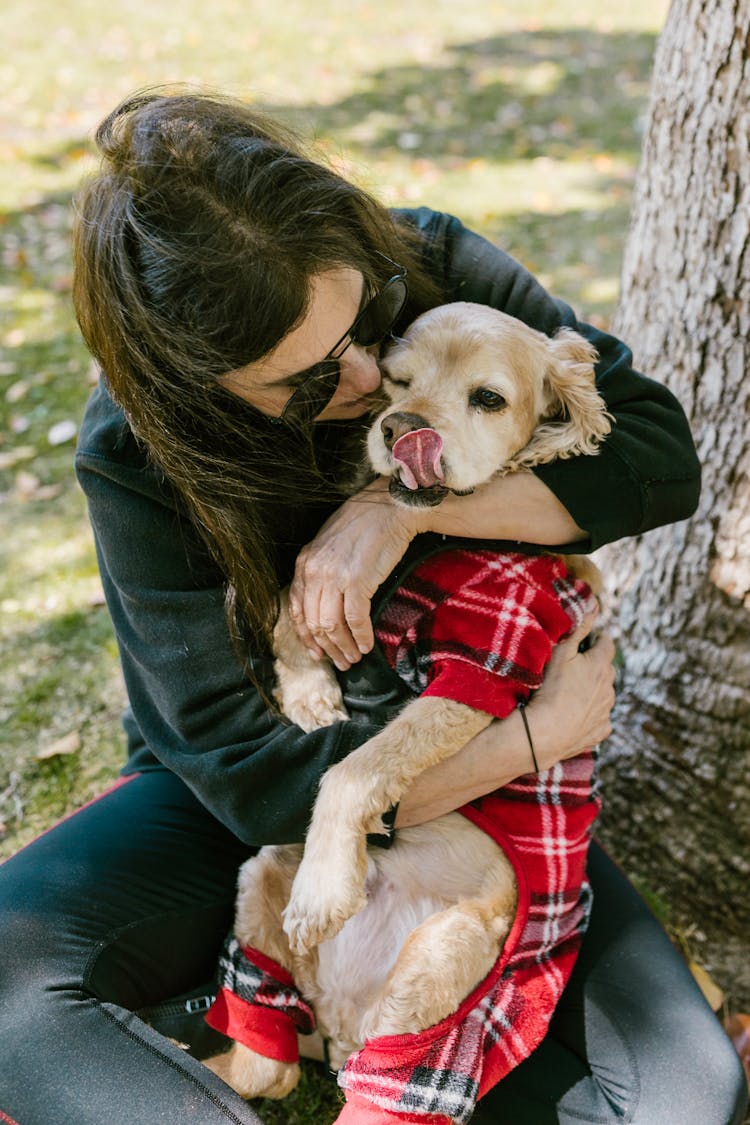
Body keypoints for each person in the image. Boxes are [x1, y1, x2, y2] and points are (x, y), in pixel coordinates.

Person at [0, 87, 745, 1125]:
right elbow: (250, 784)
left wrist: (399, 514)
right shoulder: (136, 453)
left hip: (471, 824)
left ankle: (281, 1011)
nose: (363, 378)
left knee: (683, 1095)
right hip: (265, 790)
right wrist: (532, 737)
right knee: (7, 984)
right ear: (200, 385)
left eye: (366, 322)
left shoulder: (431, 264)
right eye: (304, 381)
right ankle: (251, 1004)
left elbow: (658, 460)